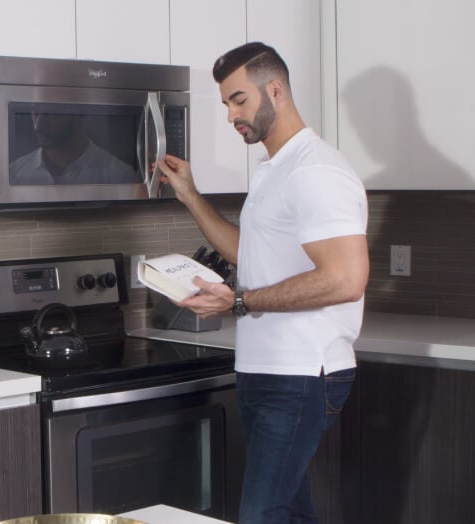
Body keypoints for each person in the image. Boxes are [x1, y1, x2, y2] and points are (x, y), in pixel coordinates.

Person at [157, 42, 369, 524]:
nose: (232, 115)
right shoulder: (276, 170)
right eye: (227, 103)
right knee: (289, 510)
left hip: (302, 375)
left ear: (275, 89)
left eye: (239, 99)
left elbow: (345, 279)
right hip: (266, 370)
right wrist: (191, 196)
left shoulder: (316, 171)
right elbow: (247, 253)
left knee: (262, 514)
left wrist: (238, 302)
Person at [10, 111, 137, 185]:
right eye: (35, 113)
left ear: (80, 113)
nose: (38, 126)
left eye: (52, 115)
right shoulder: (14, 173)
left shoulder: (120, 175)